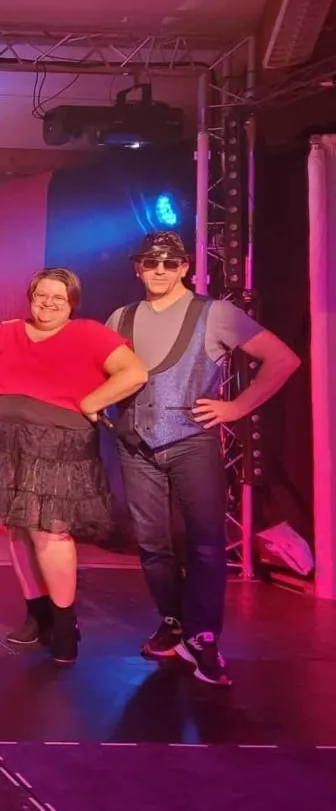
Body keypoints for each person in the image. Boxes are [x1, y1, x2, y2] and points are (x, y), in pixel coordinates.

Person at [106, 231, 300, 686]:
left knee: (206, 542)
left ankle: (203, 635)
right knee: (152, 543)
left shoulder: (215, 313)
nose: (159, 270)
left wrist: (237, 407)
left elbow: (283, 360)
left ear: (185, 268)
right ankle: (175, 622)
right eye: (150, 262)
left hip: (192, 440)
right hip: (135, 443)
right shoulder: (121, 317)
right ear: (137, 268)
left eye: (169, 263)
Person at [0, 268, 148, 663]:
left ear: (72, 302)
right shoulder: (6, 332)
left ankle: (64, 622)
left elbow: (135, 372)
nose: (49, 303)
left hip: (56, 444)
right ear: (31, 297)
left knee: (49, 531)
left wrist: (91, 402)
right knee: (18, 526)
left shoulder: (89, 333)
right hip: (2, 440)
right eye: (42, 295)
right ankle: (36, 613)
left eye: (59, 297)